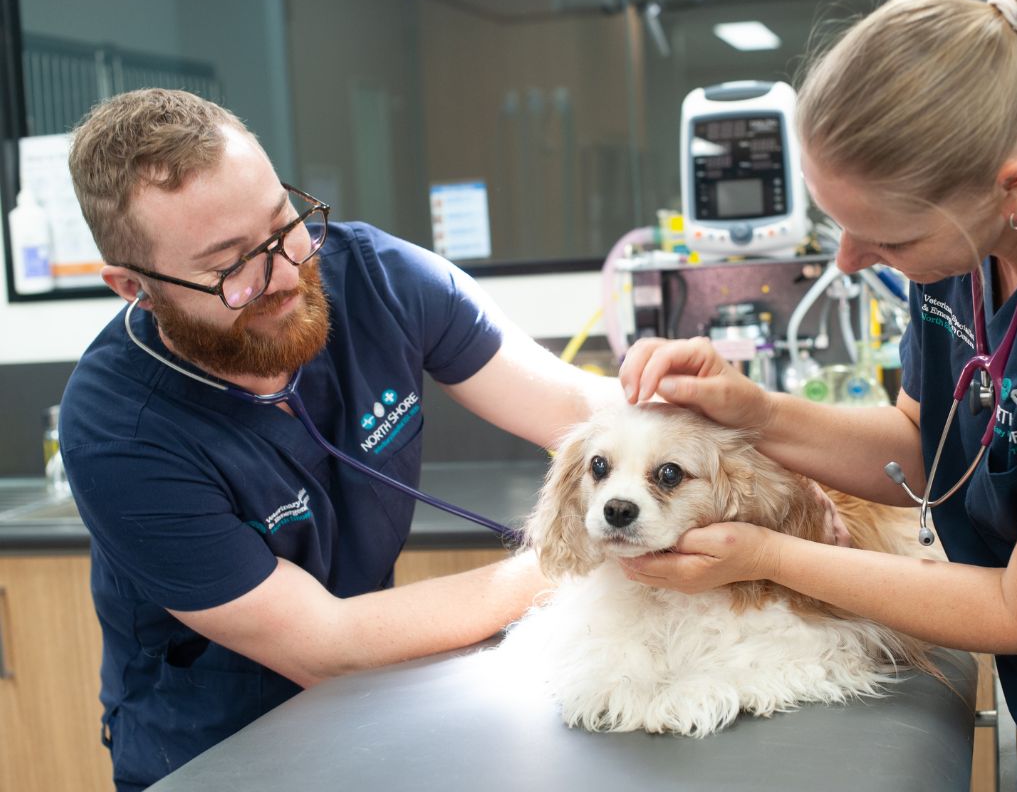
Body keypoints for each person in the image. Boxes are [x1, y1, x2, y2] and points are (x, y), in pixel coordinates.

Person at [618, 0, 1017, 789]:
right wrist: (752, 412)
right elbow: (926, 452)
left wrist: (766, 556)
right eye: (838, 224)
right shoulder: (965, 244)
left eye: (888, 239)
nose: (853, 261)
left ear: (1013, 188)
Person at [59, 88, 616, 791]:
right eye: (231, 267)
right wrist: (574, 557)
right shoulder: (119, 432)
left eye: (282, 223)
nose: (287, 273)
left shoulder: (380, 277)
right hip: (211, 753)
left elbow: (578, 405)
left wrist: (721, 433)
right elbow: (328, 647)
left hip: (376, 715)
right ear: (134, 288)